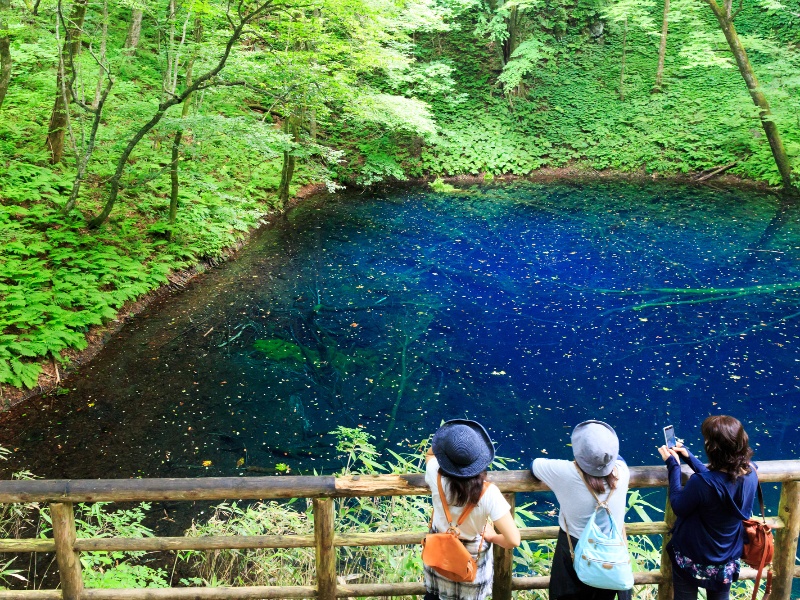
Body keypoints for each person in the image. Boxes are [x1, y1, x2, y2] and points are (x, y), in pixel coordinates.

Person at [657, 415, 758, 600]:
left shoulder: (700, 483)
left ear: (712, 448)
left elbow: (679, 506)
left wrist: (673, 466)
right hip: (726, 558)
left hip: (693, 557)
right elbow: (720, 482)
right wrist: (689, 457)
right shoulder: (751, 472)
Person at [531, 420, 631, 600]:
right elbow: (620, 460)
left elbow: (535, 464)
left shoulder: (565, 473)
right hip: (609, 555)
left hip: (572, 549)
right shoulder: (623, 472)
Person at [424, 419, 520, 600]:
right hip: (471, 561)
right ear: (479, 459)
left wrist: (441, 442)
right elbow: (514, 540)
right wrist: (493, 537)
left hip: (440, 553)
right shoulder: (489, 493)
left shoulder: (434, 473)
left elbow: (430, 454)